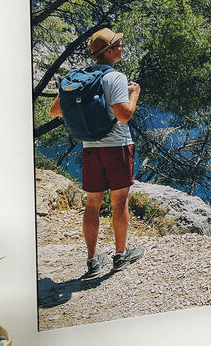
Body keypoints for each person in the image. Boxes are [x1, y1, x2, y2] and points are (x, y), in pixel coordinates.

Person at [50, 27, 145, 277]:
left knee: (92, 205)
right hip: (117, 147)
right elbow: (124, 116)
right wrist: (134, 94)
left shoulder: (79, 79)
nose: (123, 46)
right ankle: (120, 255)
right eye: (119, 44)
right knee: (119, 202)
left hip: (90, 148)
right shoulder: (115, 78)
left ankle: (93, 261)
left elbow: (54, 111)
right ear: (109, 51)